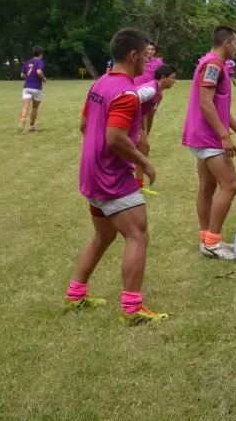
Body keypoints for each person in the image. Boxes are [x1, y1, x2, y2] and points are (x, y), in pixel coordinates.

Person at [64, 27, 168, 326]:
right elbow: (115, 138)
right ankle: (132, 308)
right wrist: (144, 162)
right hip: (111, 178)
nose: (148, 63)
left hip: (91, 173)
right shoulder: (127, 93)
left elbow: (85, 126)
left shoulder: (99, 83)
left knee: (104, 235)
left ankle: (75, 294)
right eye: (144, 57)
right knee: (138, 235)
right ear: (133, 55)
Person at [182, 25, 236, 260]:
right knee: (230, 185)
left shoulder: (212, 63)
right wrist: (224, 136)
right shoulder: (213, 65)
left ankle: (207, 238)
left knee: (207, 187)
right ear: (226, 43)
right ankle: (213, 241)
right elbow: (206, 103)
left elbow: (218, 106)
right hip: (209, 137)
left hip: (203, 135)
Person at [134, 64, 178, 195]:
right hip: (128, 119)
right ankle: (136, 186)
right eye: (173, 78)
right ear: (163, 77)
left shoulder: (158, 94)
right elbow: (128, 100)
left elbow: (145, 113)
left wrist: (145, 132)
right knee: (141, 148)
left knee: (144, 148)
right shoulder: (150, 90)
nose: (174, 81)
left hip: (136, 121)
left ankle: (138, 185)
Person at [19, 46, 46, 132]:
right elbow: (39, 71)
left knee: (25, 106)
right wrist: (44, 79)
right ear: (40, 54)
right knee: (35, 108)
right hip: (36, 88)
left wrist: (28, 77)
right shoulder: (39, 62)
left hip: (26, 87)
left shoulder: (27, 63)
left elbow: (22, 75)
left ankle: (22, 121)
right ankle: (31, 125)